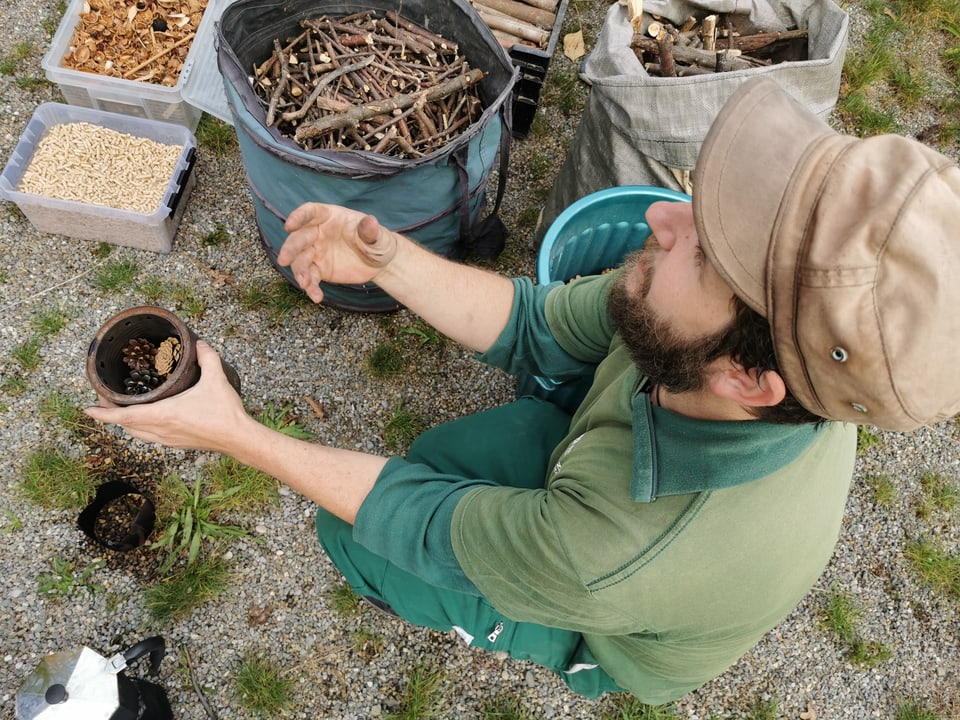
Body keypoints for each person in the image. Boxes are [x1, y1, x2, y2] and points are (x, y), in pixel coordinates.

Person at [85, 76, 960, 704]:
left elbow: (430, 529)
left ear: (747, 377)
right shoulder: (746, 355)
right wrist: (390, 260)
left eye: (704, 248)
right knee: (437, 467)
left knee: (357, 536)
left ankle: (542, 640)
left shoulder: (621, 548)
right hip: (602, 483)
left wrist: (235, 433)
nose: (663, 217)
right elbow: (539, 323)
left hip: (609, 624)